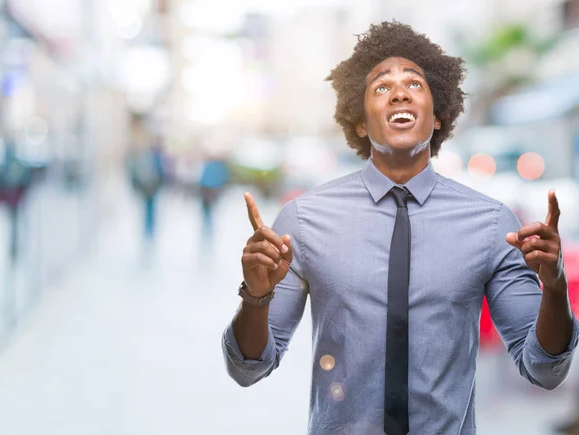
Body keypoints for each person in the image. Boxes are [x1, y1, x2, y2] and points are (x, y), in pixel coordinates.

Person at [221, 21, 578, 435]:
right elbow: (248, 369)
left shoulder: (492, 225)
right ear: (359, 121)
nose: (399, 92)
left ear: (438, 115)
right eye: (380, 87)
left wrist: (554, 288)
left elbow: (544, 368)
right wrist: (256, 297)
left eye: (415, 84)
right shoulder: (301, 222)